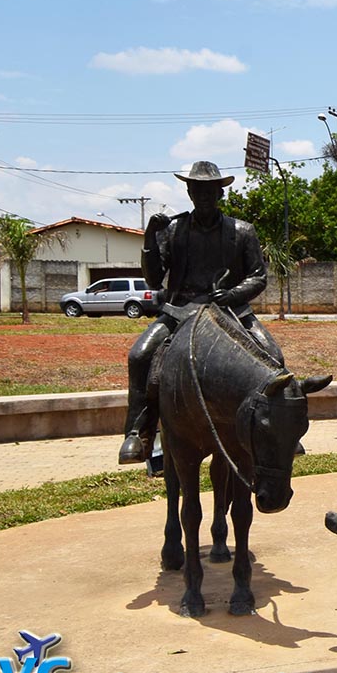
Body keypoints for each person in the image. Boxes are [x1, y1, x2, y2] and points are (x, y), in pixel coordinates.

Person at [119, 161, 284, 468]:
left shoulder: (242, 231)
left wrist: (231, 295)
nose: (204, 195)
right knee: (140, 356)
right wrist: (149, 240)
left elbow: (258, 276)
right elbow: (154, 279)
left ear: (220, 193)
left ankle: (275, 428)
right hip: (180, 311)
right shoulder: (173, 230)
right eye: (198, 189)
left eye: (210, 189)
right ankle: (137, 433)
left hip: (231, 311)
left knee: (273, 356)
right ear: (189, 191)